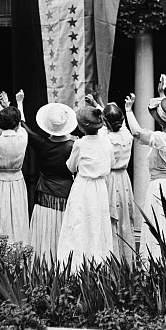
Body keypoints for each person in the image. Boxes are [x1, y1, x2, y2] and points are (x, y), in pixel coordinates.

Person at [123, 89, 166, 263]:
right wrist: (162, 94)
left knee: (159, 226)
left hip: (160, 187)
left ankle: (157, 266)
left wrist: (129, 110)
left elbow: (137, 133)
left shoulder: (162, 139)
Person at [56, 105, 114, 272]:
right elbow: (111, 162)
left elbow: (71, 167)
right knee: (97, 223)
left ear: (80, 127)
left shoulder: (80, 144)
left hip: (83, 187)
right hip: (100, 188)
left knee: (79, 223)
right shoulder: (106, 142)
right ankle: (97, 263)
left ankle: (76, 265)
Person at [25, 102, 77, 263]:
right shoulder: (73, 146)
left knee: (45, 230)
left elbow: (25, 128)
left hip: (44, 195)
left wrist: (20, 103)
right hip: (65, 194)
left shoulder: (42, 143)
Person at [0, 89, 30, 246]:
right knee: (17, 216)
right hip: (16, 181)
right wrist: (19, 103)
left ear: (0, 124)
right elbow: (22, 124)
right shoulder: (22, 137)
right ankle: (18, 249)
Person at [97, 98, 137, 264]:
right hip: (123, 178)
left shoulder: (105, 139)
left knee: (110, 219)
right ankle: (126, 259)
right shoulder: (126, 135)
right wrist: (128, 109)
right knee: (123, 218)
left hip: (110, 178)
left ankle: (112, 260)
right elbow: (114, 123)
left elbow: (102, 129)